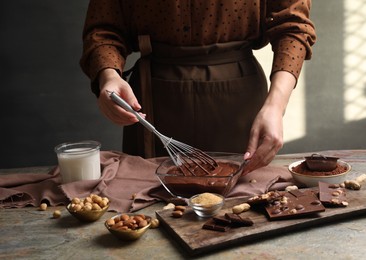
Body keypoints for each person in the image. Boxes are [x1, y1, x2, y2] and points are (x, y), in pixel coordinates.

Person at [80, 0, 316, 175]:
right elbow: (103, 30)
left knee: (243, 203)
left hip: (240, 104)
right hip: (152, 103)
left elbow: (293, 27)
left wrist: (275, 106)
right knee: (148, 202)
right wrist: (108, 77)